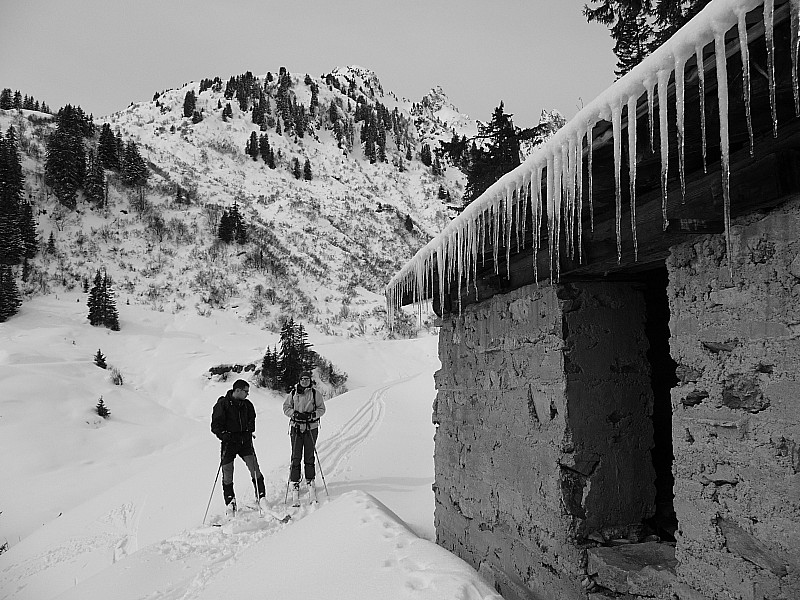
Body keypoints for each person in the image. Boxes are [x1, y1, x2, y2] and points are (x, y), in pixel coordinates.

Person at [210, 379, 266, 515]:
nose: (247, 394)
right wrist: (224, 435)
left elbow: (252, 419)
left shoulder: (247, 405)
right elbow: (215, 426)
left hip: (245, 442)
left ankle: (262, 497)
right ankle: (230, 503)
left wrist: (249, 431)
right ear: (238, 390)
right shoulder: (222, 404)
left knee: (254, 468)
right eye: (246, 391)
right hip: (229, 443)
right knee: (227, 473)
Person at [283, 371, 326, 504]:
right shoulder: (293, 393)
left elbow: (322, 409)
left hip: (311, 428)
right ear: (299, 380)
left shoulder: (315, 393)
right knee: (296, 455)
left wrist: (311, 415)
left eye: (307, 379)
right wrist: (294, 414)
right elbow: (286, 407)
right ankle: (295, 481)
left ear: (310, 381)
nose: (304, 381)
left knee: (309, 455)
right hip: (296, 427)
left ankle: (310, 479)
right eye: (302, 379)